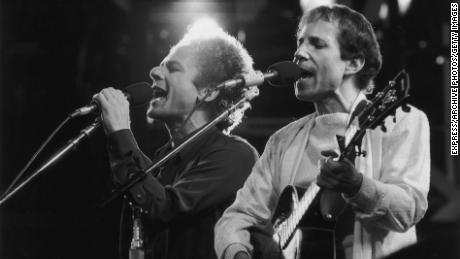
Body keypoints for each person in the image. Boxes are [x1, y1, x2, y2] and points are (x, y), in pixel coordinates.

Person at [215, 4, 430, 259]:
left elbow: (408, 210)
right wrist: (238, 253)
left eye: (316, 44)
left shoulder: (401, 122)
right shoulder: (282, 141)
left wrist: (358, 186)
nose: (298, 53)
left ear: (353, 63)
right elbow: (237, 218)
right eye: (300, 42)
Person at [94, 21, 259, 259]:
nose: (154, 72)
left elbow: (163, 208)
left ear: (208, 91)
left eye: (173, 68)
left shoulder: (235, 156)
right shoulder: (161, 162)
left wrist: (121, 132)